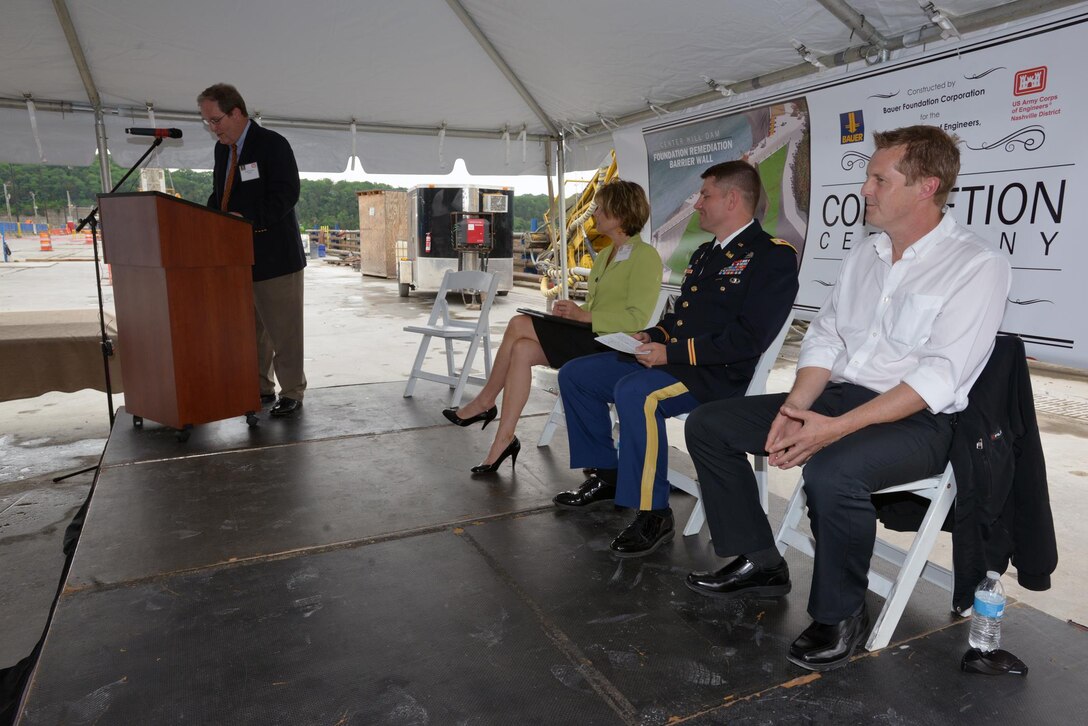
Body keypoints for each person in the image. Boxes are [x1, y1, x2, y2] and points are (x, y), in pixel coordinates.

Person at [683, 125, 1011, 671]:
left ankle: (842, 612)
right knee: (710, 425)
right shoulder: (866, 253)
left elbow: (940, 377)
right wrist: (797, 408)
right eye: (868, 176)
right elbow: (827, 337)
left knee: (832, 470)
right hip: (837, 397)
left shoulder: (976, 264)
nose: (865, 189)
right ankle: (761, 559)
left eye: (880, 178)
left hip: (917, 420)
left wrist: (829, 430)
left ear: (927, 187)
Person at [553, 160, 799, 558]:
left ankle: (653, 511)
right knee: (577, 375)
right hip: (671, 360)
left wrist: (671, 351)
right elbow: (678, 319)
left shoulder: (771, 256)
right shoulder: (705, 254)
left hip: (714, 376)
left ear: (732, 199)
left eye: (705, 195)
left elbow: (748, 338)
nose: (697, 203)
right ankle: (608, 473)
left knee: (636, 393)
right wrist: (650, 336)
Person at [443, 180, 663, 474]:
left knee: (519, 323)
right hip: (591, 335)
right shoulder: (607, 255)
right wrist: (574, 313)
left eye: (600, 208)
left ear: (620, 213)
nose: (594, 213)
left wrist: (584, 318)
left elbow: (636, 318)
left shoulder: (644, 256)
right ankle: (503, 441)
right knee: (521, 349)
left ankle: (485, 400)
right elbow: (597, 309)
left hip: (612, 344)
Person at [198, 83, 307, 418]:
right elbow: (222, 196)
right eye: (208, 123)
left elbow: (286, 195)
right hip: (238, 257)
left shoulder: (272, 145)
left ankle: (292, 392)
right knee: (252, 331)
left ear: (236, 112)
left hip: (275, 256)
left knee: (283, 330)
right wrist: (207, 216)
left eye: (216, 120)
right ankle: (260, 388)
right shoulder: (222, 151)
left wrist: (245, 220)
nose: (212, 128)